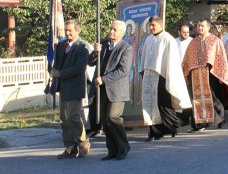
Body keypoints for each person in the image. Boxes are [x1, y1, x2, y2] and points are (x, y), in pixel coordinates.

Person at [139, 16, 192, 141]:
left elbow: (172, 62)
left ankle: (172, 127)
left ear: (160, 25)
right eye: (149, 25)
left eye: (153, 25)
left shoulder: (168, 39)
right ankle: (153, 132)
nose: (151, 28)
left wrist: (169, 77)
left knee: (162, 105)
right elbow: (144, 57)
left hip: (162, 76)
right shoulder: (148, 39)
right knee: (149, 104)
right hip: (149, 76)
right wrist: (143, 72)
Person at [88, 20, 133, 160]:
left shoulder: (126, 48)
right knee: (105, 120)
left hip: (116, 90)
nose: (111, 32)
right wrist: (95, 52)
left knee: (113, 117)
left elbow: (123, 70)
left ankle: (123, 147)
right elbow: (90, 62)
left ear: (122, 33)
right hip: (102, 90)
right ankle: (112, 150)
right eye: (111, 29)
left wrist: (104, 79)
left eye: (115, 30)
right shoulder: (103, 44)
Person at [182, 18, 228, 131]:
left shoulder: (215, 40)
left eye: (202, 25)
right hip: (196, 75)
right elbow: (187, 59)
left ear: (208, 27)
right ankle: (198, 124)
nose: (199, 28)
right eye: (198, 26)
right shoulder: (193, 42)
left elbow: (220, 58)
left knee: (213, 97)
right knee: (195, 99)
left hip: (211, 74)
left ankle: (220, 118)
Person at [51, 20, 91, 159]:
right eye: (66, 30)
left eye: (70, 30)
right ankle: (70, 146)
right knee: (64, 118)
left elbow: (80, 68)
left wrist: (60, 73)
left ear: (77, 31)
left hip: (75, 86)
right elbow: (57, 63)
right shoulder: (61, 45)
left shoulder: (83, 47)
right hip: (63, 86)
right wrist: (54, 48)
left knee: (73, 116)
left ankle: (83, 142)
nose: (67, 33)